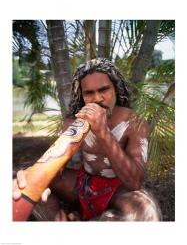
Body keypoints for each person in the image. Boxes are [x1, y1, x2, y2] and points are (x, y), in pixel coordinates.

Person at [13, 58, 162, 221]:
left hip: (119, 190)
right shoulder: (74, 122)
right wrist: (32, 176)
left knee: (146, 211)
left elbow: (135, 182)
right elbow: (56, 165)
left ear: (116, 89)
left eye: (104, 90)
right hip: (82, 184)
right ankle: (60, 218)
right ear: (82, 95)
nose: (97, 98)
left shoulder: (135, 123)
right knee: (20, 184)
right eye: (89, 93)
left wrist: (103, 132)